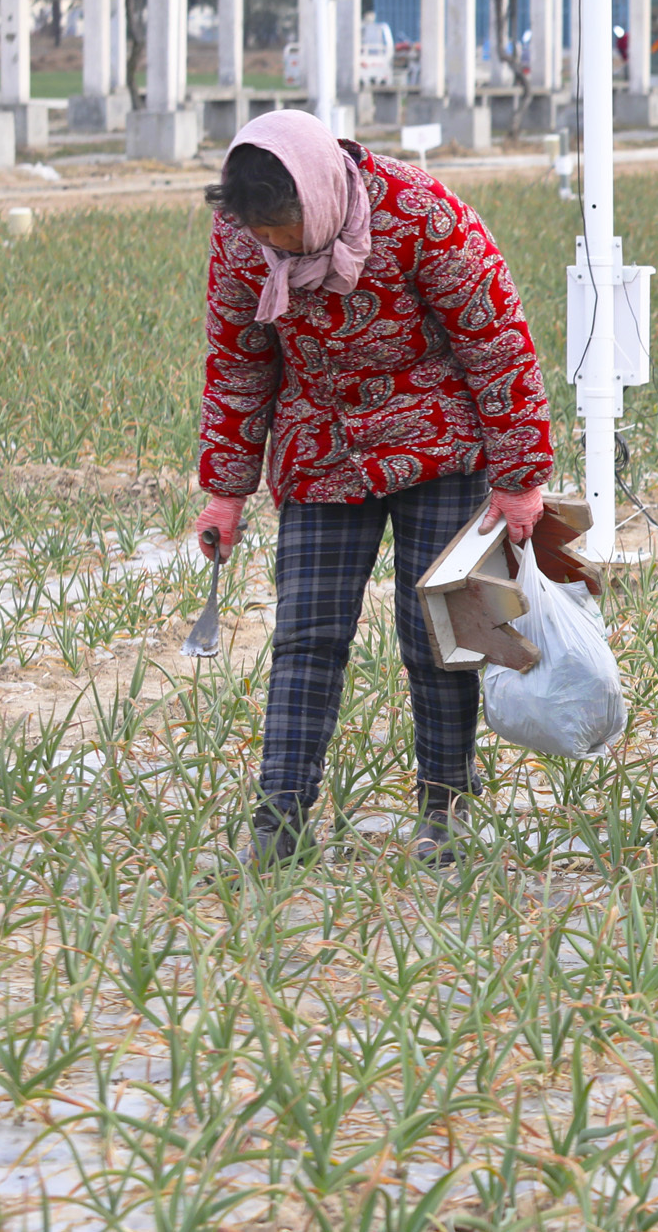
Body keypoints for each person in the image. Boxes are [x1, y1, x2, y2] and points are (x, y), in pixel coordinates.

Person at [192, 110, 554, 869]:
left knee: (439, 634)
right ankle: (280, 815)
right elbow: (238, 362)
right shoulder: (241, 241)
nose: (281, 248)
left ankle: (446, 805)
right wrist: (225, 490)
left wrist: (520, 478)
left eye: (290, 228)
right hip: (321, 450)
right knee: (306, 637)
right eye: (267, 235)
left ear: (323, 193)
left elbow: (497, 339)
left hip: (439, 443)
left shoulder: (421, 213)